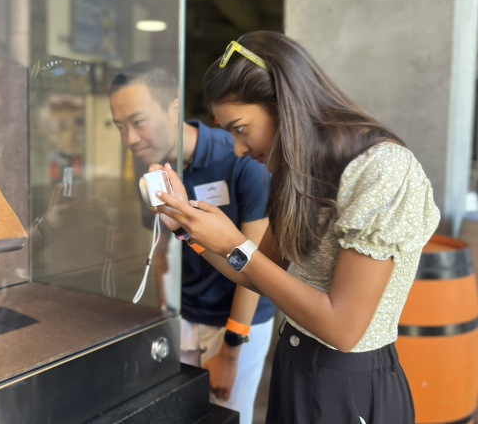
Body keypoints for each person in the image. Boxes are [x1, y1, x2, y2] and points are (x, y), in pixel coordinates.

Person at [150, 32, 440, 424]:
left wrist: (236, 243)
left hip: (349, 385)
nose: (237, 147)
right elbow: (257, 275)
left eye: (240, 127)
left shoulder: (382, 168)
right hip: (294, 364)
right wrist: (186, 227)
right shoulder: (301, 174)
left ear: (284, 104)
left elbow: (342, 329)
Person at [109, 62, 276, 424]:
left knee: (227, 417)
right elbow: (162, 251)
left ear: (173, 108)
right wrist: (164, 320)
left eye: (138, 121)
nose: (130, 139)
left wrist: (231, 350)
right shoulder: (152, 169)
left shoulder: (241, 158)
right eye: (120, 127)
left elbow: (257, 263)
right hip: (185, 314)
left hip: (237, 320)